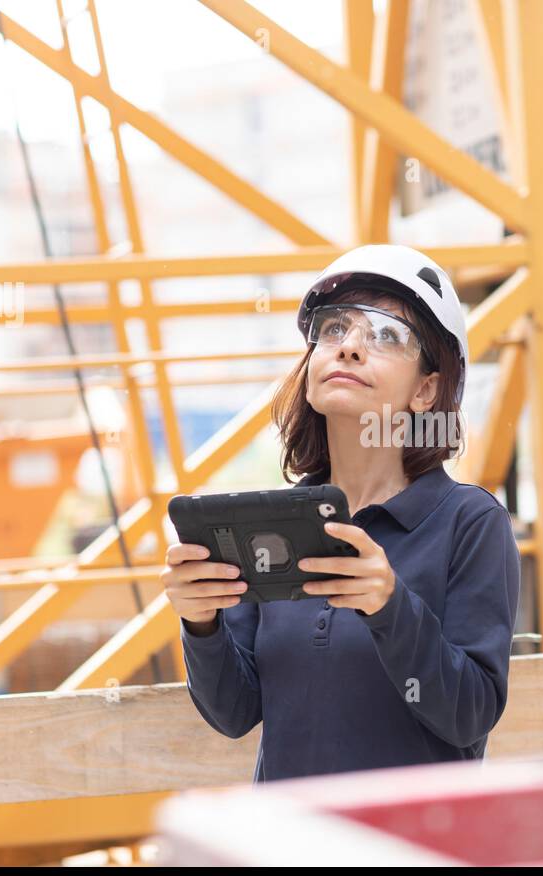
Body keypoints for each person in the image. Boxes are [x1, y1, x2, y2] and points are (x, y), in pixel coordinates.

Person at [160, 244, 522, 783]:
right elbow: (234, 714)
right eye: (333, 329)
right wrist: (201, 622)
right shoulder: (274, 526)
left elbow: (469, 713)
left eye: (385, 335)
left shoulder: (469, 524)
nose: (350, 346)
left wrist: (389, 606)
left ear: (426, 390)